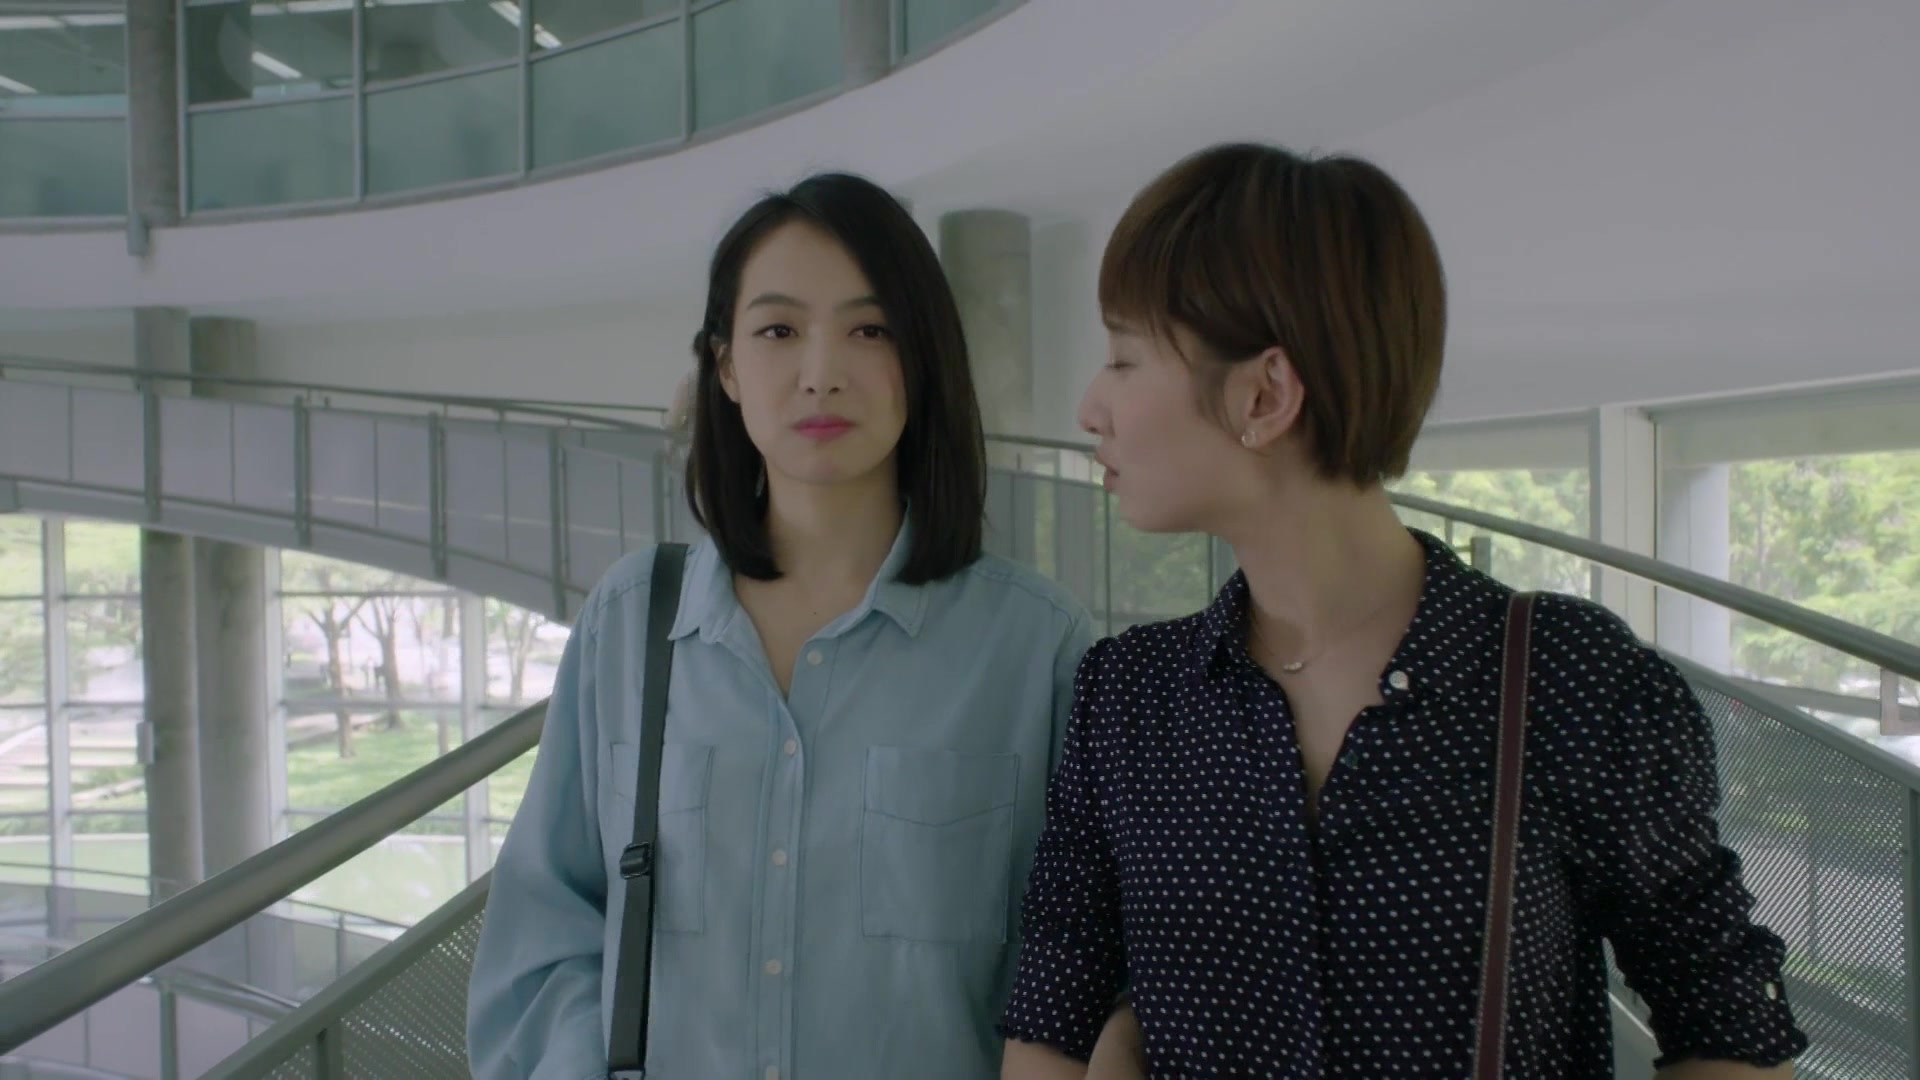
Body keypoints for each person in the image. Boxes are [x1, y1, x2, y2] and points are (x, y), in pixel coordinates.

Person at [999, 143, 1808, 1078]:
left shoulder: (1568, 681)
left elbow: (1729, 1022)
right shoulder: (1129, 696)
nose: (1089, 407)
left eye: (1122, 359)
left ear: (1264, 394)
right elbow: (1053, 1008)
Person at [468, 172, 1093, 1079]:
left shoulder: (1037, 647)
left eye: (870, 330)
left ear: (921, 357)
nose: (821, 373)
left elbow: (1076, 972)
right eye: (778, 331)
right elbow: (545, 930)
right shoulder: (632, 621)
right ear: (724, 366)